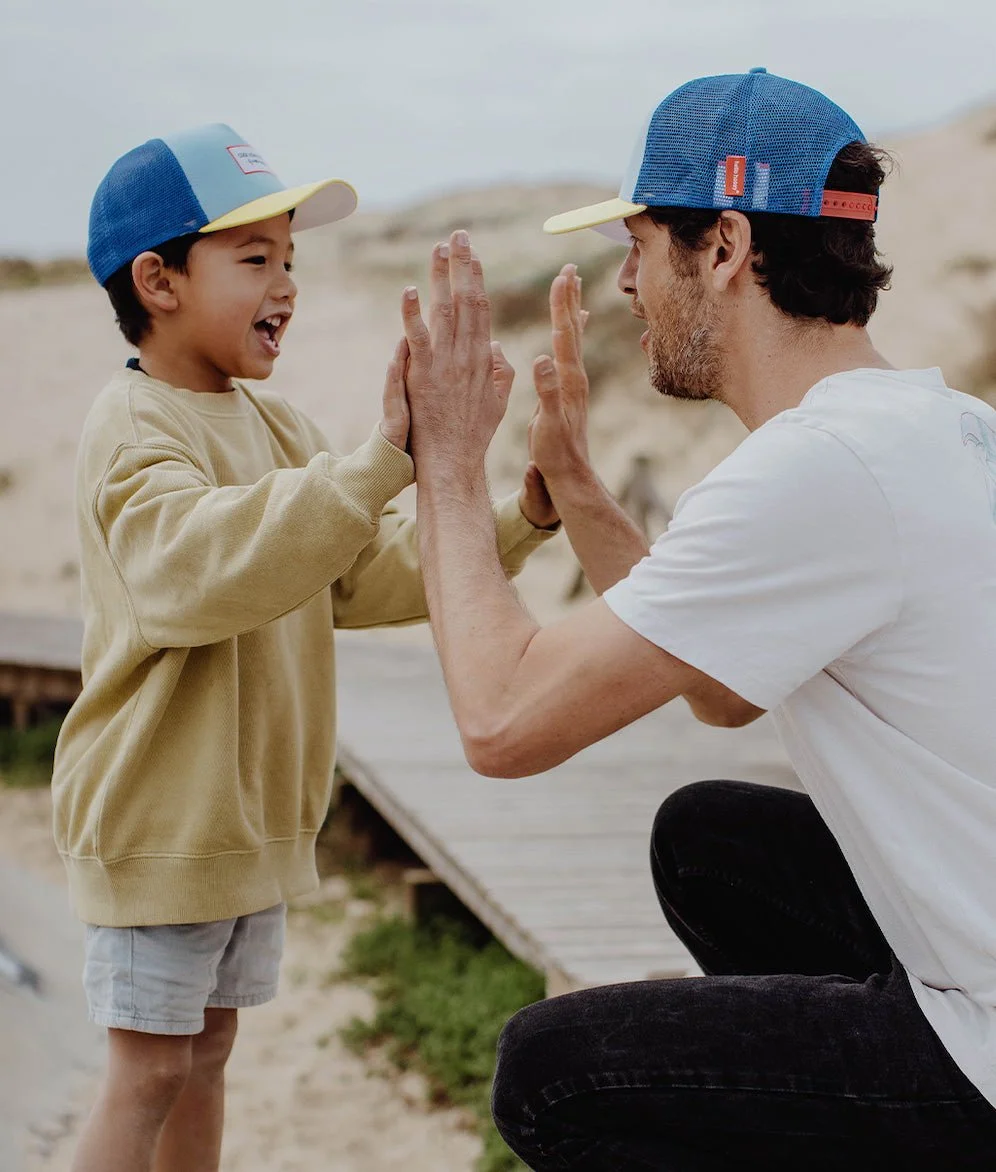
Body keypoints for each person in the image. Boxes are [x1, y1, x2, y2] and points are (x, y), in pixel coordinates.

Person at [397, 69, 996, 1169]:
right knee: (711, 839)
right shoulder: (939, 424)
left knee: (555, 1072)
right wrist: (575, 484)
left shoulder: (815, 465)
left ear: (723, 246)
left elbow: (500, 718)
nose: (627, 283)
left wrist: (442, 457)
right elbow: (722, 688)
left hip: (988, 1050)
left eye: (640, 243)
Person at [53, 123, 558, 1172]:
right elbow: (200, 567)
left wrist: (521, 515)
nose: (287, 283)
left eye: (292, 259)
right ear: (158, 280)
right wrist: (380, 459)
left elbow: (355, 570)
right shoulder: (132, 424)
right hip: (162, 814)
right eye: (254, 259)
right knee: (146, 1070)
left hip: (247, 822)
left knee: (207, 1052)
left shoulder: (275, 429)